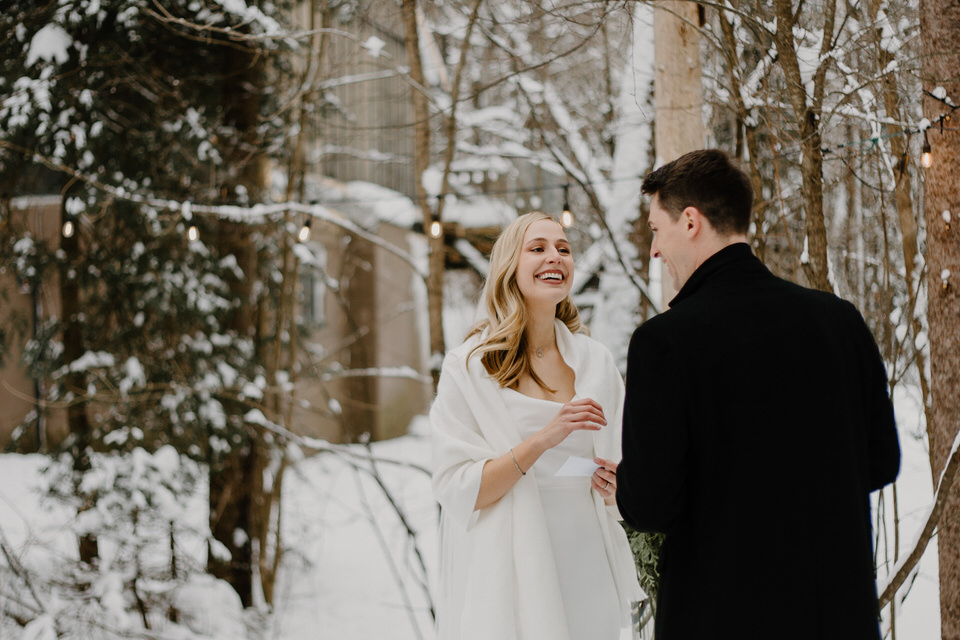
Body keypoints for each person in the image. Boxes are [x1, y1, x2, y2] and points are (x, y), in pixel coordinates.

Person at [616, 149, 901, 640]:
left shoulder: (664, 342)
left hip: (721, 614)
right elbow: (883, 463)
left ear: (690, 222)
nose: (654, 250)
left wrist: (626, 481)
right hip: (835, 611)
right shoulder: (840, 321)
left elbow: (652, 504)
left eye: (655, 230)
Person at [431, 211, 644, 640]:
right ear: (510, 267)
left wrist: (617, 485)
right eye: (538, 248)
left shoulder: (596, 361)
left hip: (587, 557)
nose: (556, 257)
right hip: (508, 566)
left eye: (564, 249)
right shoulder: (469, 367)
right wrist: (543, 440)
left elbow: (624, 464)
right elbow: (458, 488)